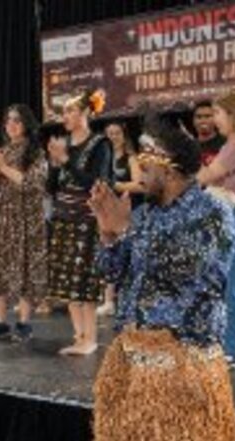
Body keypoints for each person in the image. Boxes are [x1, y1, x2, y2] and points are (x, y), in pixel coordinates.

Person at [89, 116, 235, 441]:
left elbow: (202, 283)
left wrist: (152, 332)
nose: (138, 172)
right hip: (135, 357)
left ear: (170, 167)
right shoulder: (150, 214)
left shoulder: (212, 213)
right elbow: (112, 272)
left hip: (183, 359)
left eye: (145, 163)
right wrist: (110, 231)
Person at [46, 90, 112, 356]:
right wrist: (54, 165)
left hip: (86, 220)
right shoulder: (64, 145)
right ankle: (79, 336)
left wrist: (66, 162)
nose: (65, 117)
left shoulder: (100, 145)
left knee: (85, 280)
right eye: (63, 113)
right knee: (67, 282)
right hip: (63, 217)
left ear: (85, 113)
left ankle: (91, 338)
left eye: (70, 111)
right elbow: (51, 187)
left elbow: (96, 183)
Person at [0, 104, 49, 341]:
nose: (12, 125)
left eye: (17, 120)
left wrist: (3, 167)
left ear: (26, 124)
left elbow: (30, 183)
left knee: (26, 269)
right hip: (0, 221)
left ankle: (23, 324)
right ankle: (0, 323)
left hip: (27, 222)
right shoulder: (1, 152)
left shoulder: (36, 153)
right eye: (8, 120)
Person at [197, 89, 235, 371]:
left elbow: (206, 177)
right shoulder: (233, 144)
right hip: (229, 222)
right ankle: (229, 346)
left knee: (230, 290)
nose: (213, 119)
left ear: (233, 115)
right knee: (223, 289)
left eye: (217, 113)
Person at [98, 120, 145, 318]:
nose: (113, 137)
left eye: (116, 133)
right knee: (109, 254)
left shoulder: (130, 158)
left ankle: (131, 299)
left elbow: (140, 185)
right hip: (107, 211)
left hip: (128, 212)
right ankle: (108, 301)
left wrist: (116, 185)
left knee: (129, 255)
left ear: (123, 136)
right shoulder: (101, 158)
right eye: (109, 133)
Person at [192, 99, 225, 166]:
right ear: (193, 121)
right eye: (199, 117)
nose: (203, 121)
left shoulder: (226, 144)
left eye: (207, 116)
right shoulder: (189, 147)